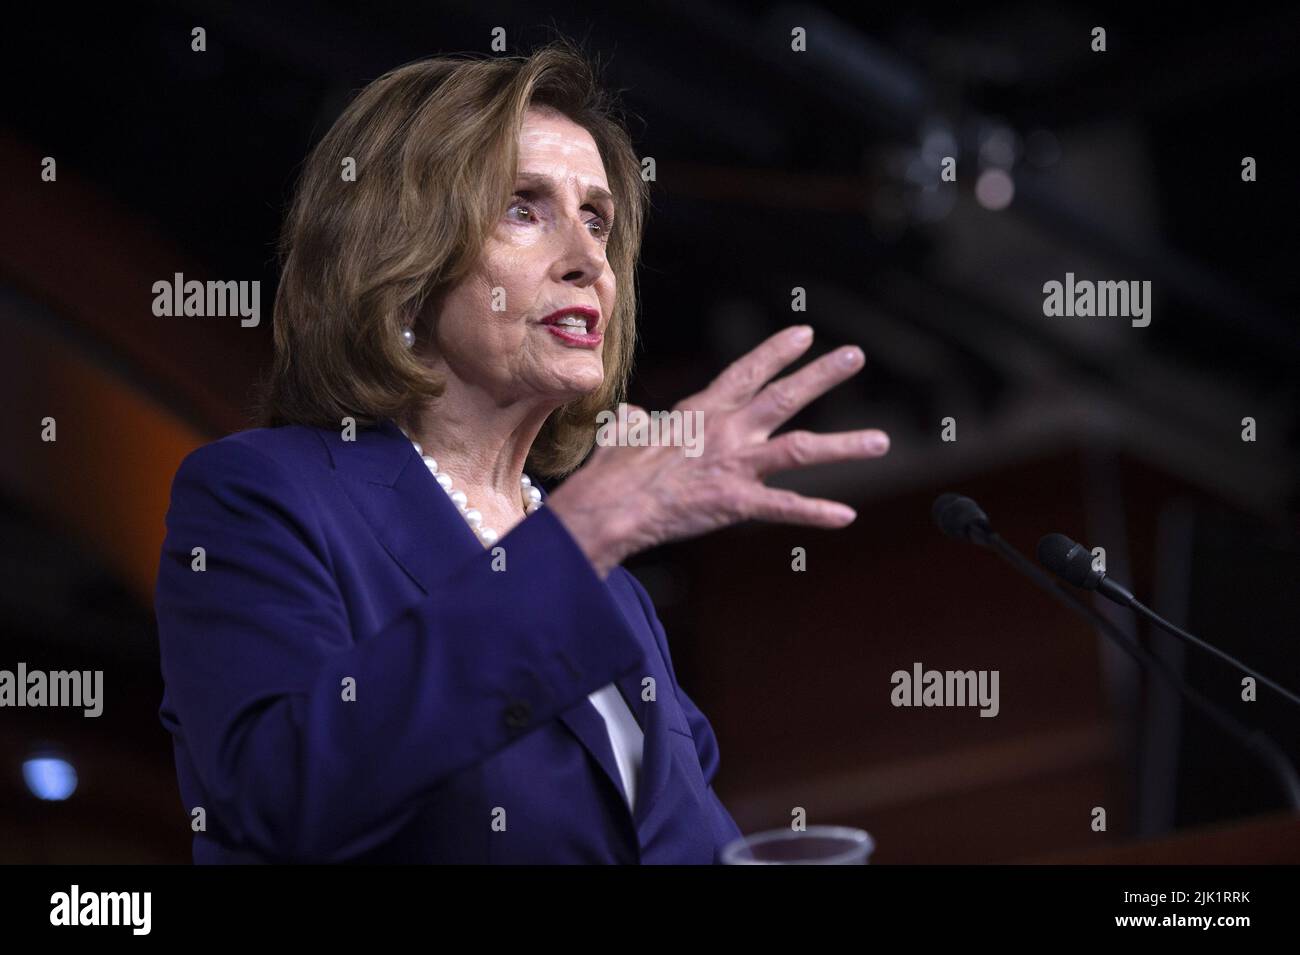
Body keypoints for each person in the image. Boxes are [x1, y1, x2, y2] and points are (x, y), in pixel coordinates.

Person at [154, 41, 890, 864]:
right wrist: (583, 536)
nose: (588, 262)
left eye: (599, 220)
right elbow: (279, 796)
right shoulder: (262, 495)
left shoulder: (618, 602)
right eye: (523, 208)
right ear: (401, 258)